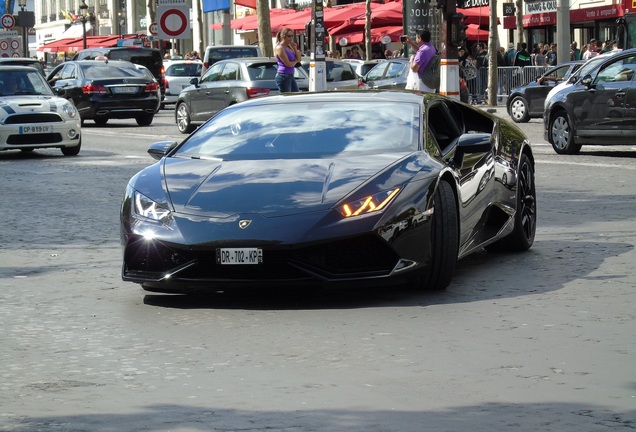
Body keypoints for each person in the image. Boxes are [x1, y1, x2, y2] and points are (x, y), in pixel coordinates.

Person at [275, 28, 302, 93]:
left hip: (291, 75)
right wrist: (295, 61)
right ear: (283, 36)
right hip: (283, 75)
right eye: (289, 36)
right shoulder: (280, 48)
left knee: (295, 95)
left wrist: (295, 48)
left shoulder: (290, 46)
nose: (291, 38)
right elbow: (288, 64)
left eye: (292, 36)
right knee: (287, 98)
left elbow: (299, 59)